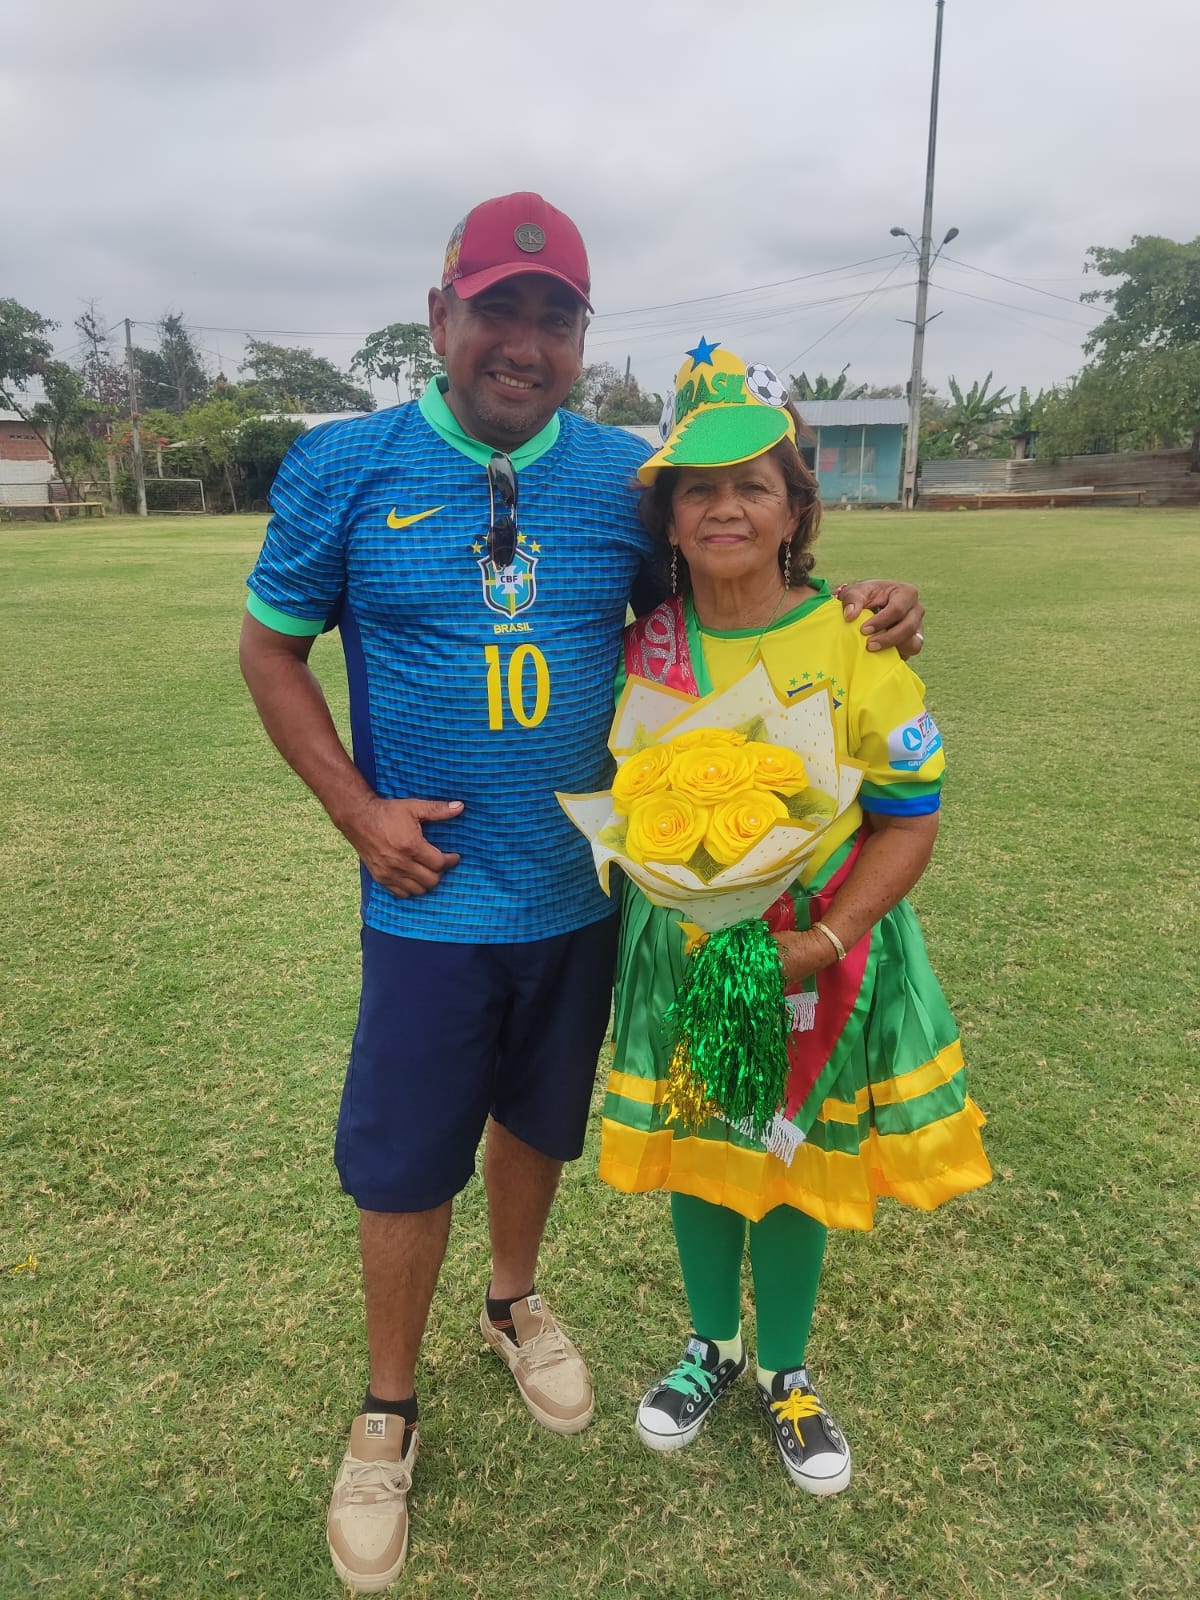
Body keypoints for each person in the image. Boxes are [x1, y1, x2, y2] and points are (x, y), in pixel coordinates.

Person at [239, 194, 927, 1591]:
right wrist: (355, 809)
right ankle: (386, 1411)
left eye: (555, 318)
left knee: (539, 1122)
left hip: (590, 897)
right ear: (440, 317)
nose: (525, 341)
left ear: (581, 338)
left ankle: (514, 1303)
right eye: (497, 308)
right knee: (405, 1159)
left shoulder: (625, 475)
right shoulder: (344, 465)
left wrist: (866, 605)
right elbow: (270, 650)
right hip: (431, 898)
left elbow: (739, 575)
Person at [601, 340, 991, 1495]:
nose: (724, 506)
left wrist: (819, 940)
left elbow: (909, 820)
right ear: (669, 521)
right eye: (697, 489)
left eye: (753, 485)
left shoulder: (855, 642)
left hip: (816, 952)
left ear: (794, 510)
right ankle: (711, 1346)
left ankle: (784, 1368)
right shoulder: (640, 647)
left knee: (792, 1148)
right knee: (702, 1147)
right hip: (684, 949)